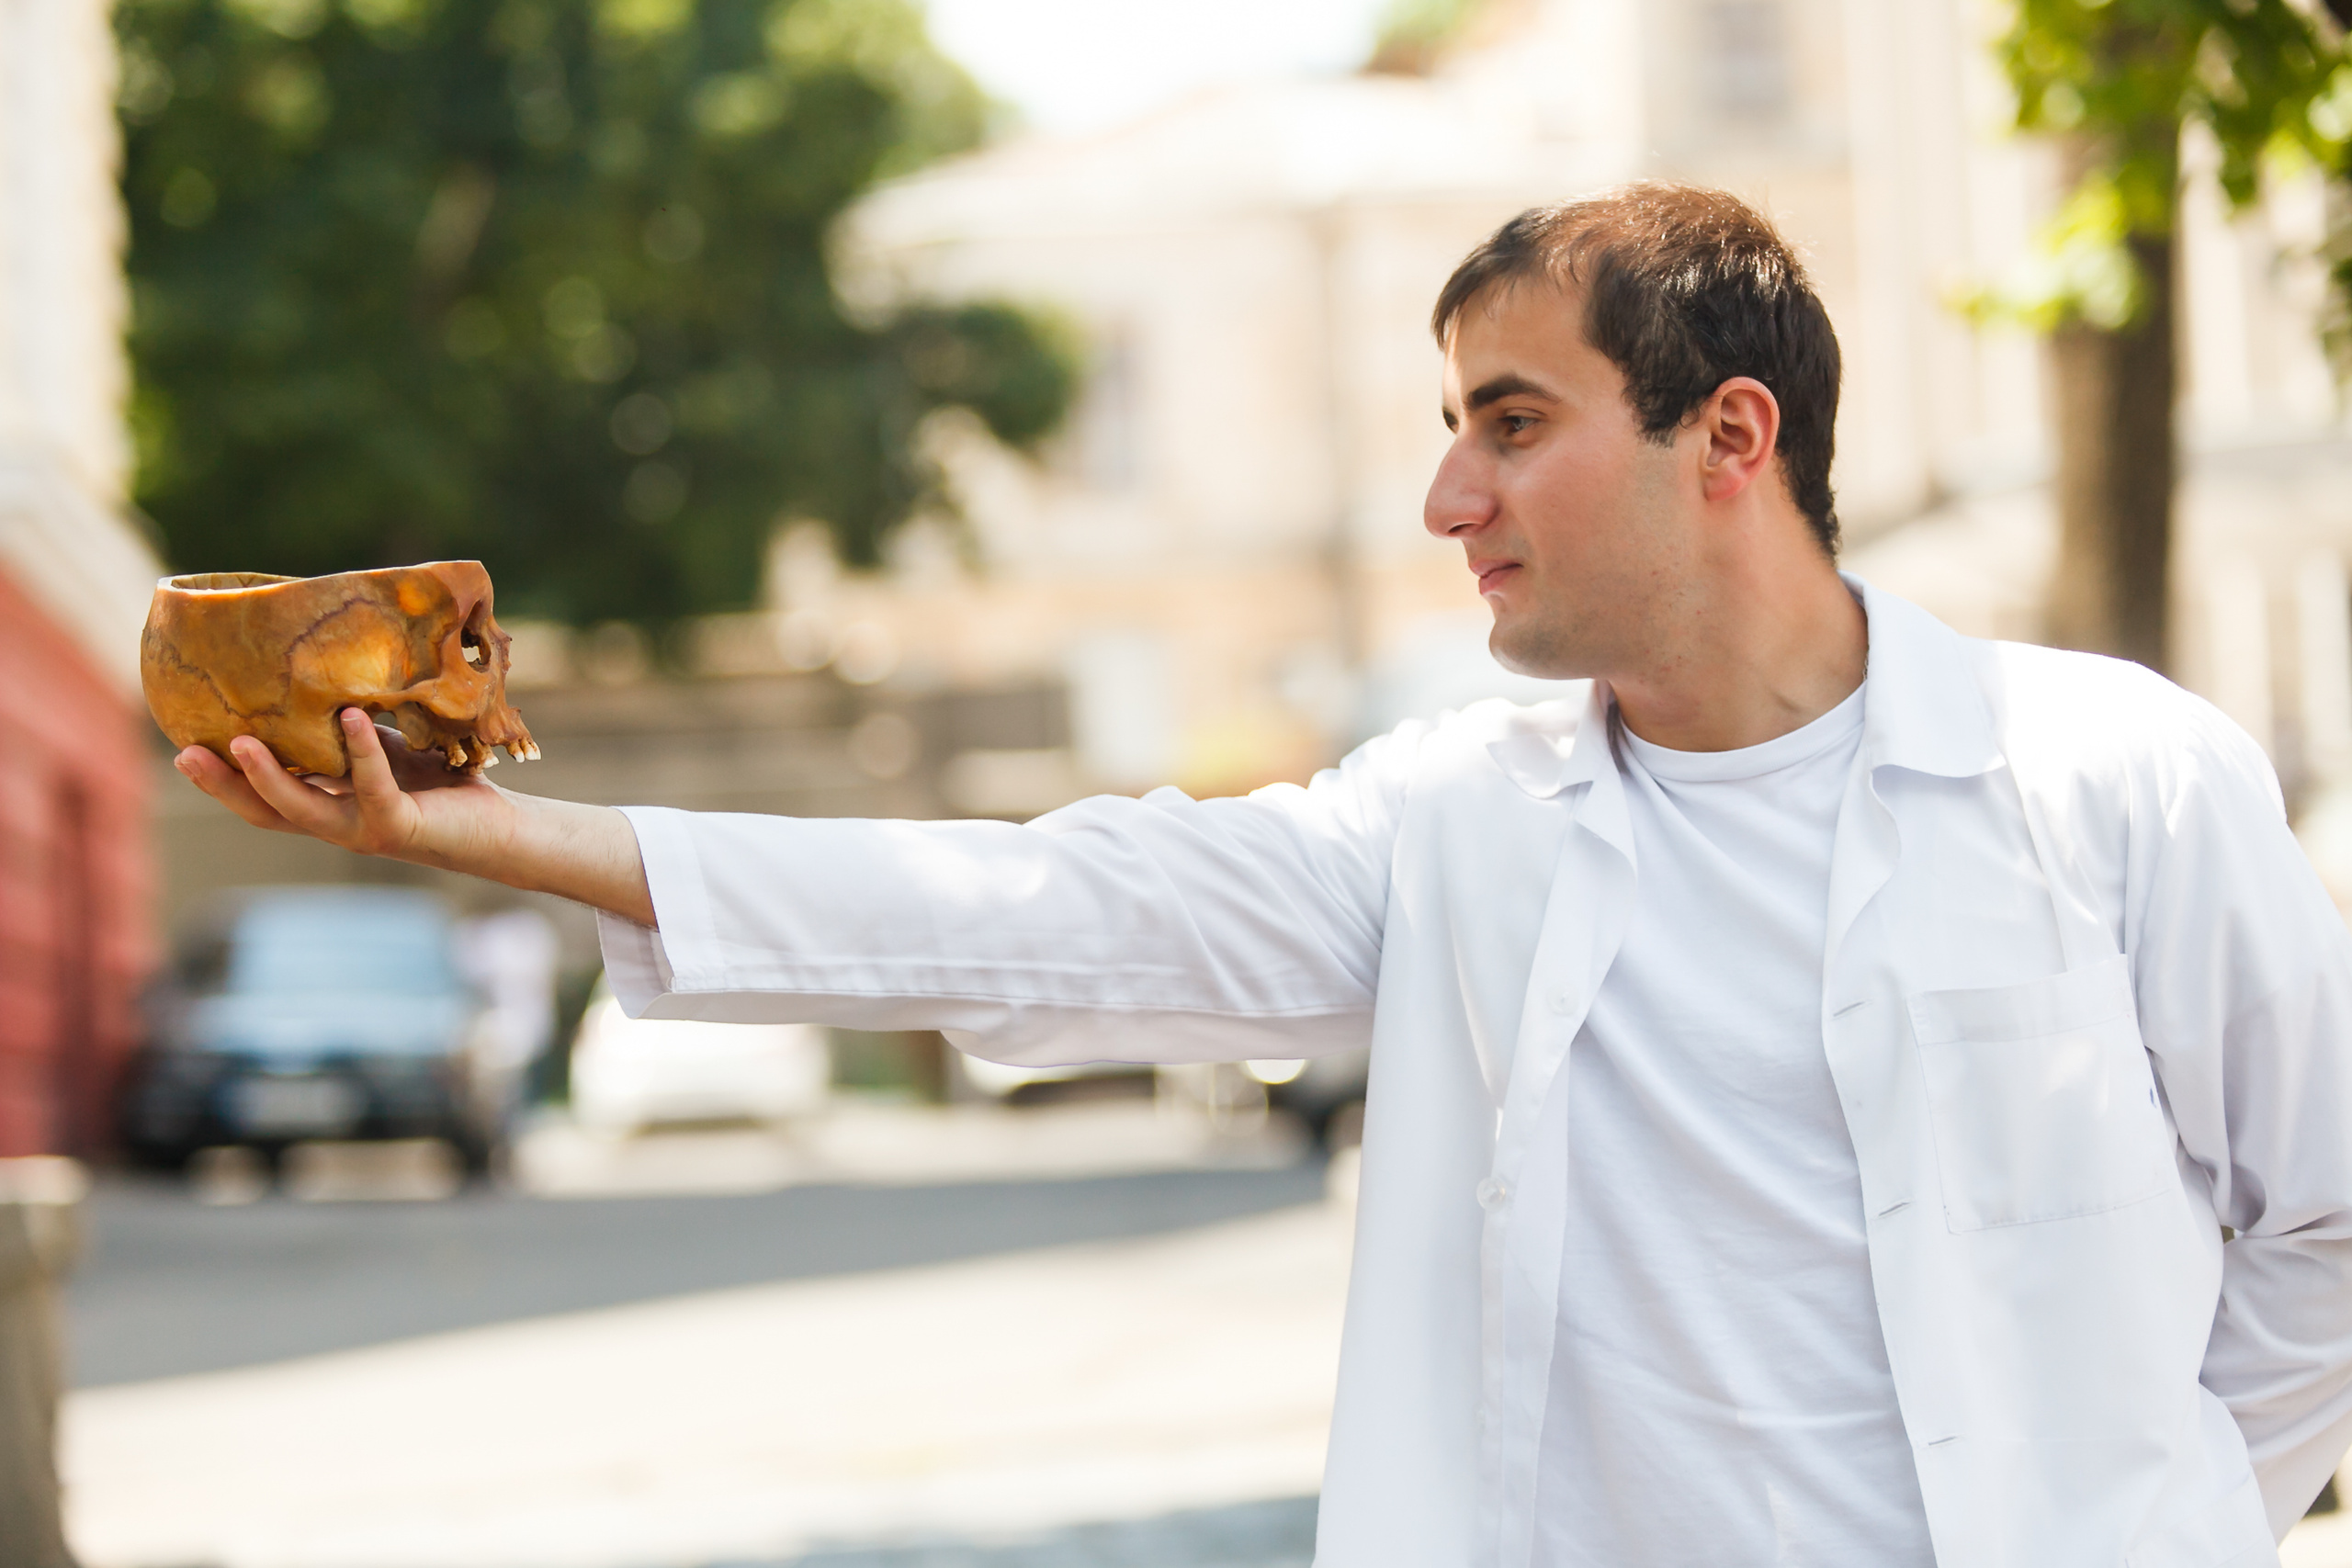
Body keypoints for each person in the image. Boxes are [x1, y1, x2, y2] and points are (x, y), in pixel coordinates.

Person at [174, 184, 2352, 1568]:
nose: (1442, 491)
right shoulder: (1450, 826)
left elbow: (2326, 1219)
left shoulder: (2116, 774)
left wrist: (2151, 1513)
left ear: (1730, 439)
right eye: (1447, 425)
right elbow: (1022, 908)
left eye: (1507, 421)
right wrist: (502, 838)